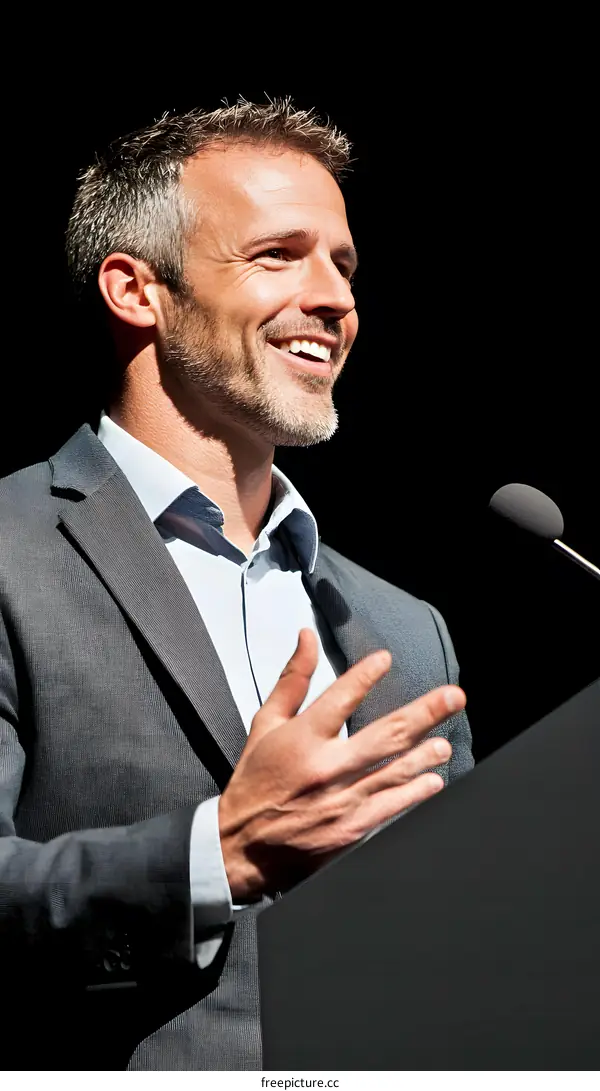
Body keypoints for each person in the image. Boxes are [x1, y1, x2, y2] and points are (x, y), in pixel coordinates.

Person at [0, 98, 473, 1071]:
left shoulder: (404, 626)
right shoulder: (11, 554)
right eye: (277, 255)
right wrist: (217, 855)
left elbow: (466, 950)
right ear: (138, 289)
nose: (335, 297)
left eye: (343, 264)